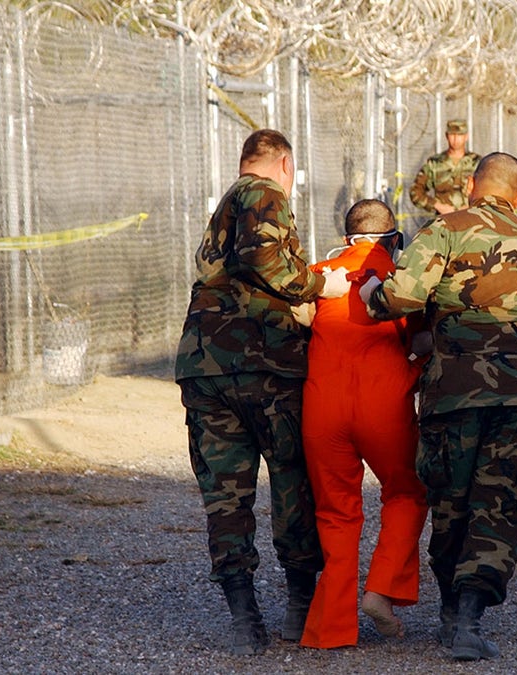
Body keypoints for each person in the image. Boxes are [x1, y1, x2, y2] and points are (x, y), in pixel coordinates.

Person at [359, 153, 517, 662]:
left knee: (451, 495)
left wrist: (371, 292)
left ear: (471, 185)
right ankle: (468, 615)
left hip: (456, 390)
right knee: (502, 498)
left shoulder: (444, 229)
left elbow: (401, 297)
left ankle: (450, 613)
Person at [174, 129, 349, 656]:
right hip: (265, 367)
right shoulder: (262, 193)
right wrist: (321, 289)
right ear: (284, 163)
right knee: (294, 483)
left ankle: (244, 616)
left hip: (207, 367)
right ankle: (299, 608)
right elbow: (263, 258)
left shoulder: (226, 204)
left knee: (226, 497)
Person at [296, 200, 430, 648]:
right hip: (384, 404)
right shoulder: (399, 279)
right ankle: (381, 591)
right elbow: (424, 339)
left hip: (323, 407)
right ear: (392, 237)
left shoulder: (318, 274)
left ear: (347, 235)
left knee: (335, 513)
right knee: (407, 491)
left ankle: (329, 630)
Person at [410, 118, 482, 216]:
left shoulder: (477, 162)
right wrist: (437, 205)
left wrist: (472, 206)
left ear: (466, 137)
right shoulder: (435, 163)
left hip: (471, 220)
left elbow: (488, 191)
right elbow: (416, 191)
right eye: (452, 135)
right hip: (443, 220)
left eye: (460, 135)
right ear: (446, 136)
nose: (456, 139)